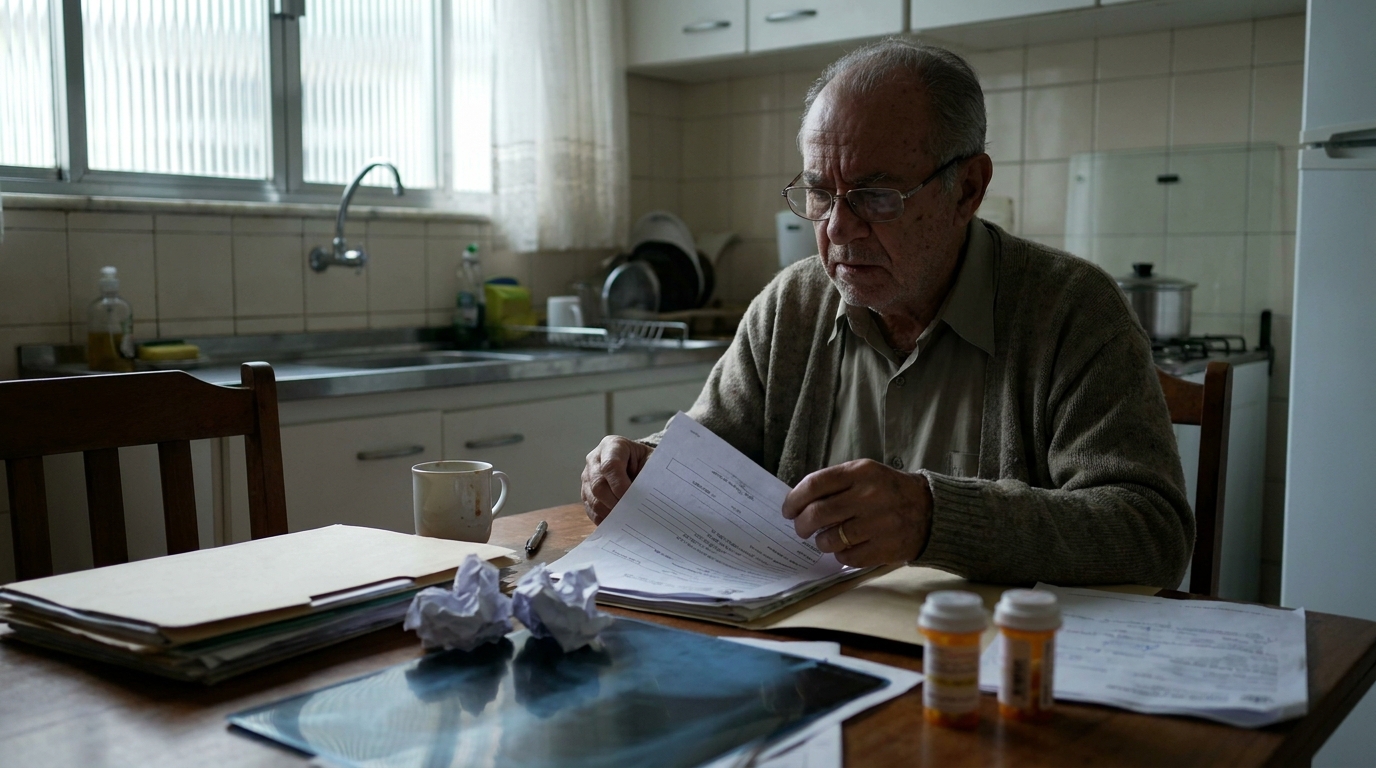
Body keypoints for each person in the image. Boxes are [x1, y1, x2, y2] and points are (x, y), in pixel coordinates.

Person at [581, 39, 1193, 588]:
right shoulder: (791, 306)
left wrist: (933, 517)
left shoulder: (1071, 309)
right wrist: (643, 465)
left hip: (993, 672)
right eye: (820, 193)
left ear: (969, 188)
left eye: (877, 195)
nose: (838, 228)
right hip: (808, 659)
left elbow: (1151, 534)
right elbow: (711, 458)